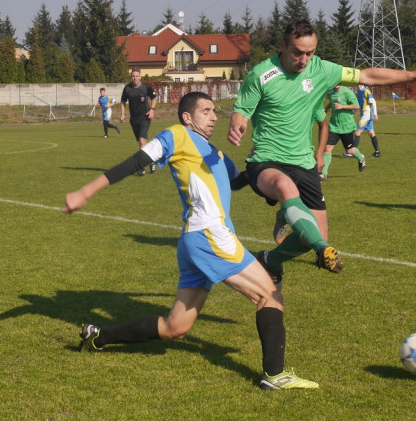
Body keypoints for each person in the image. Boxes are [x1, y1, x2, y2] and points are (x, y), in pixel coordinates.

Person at [64, 91, 318, 390]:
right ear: (187, 116)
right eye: (207, 111)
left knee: (176, 328)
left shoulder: (215, 153)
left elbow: (238, 182)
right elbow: (135, 162)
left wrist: (265, 168)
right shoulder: (176, 135)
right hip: (209, 235)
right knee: (269, 295)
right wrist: (85, 192)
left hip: (195, 240)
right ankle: (275, 376)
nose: (214, 117)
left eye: (215, 111)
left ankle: (97, 335)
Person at [228, 19, 416, 279]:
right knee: (286, 189)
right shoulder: (261, 75)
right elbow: (242, 110)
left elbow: (366, 75)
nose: (304, 59)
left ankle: (270, 259)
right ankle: (320, 246)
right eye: (297, 52)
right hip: (267, 161)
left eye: (310, 53)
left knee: (313, 235)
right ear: (283, 45)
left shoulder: (322, 69)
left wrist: (414, 74)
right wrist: (238, 124)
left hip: (304, 163)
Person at [316, 83, 366, 178]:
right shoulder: (331, 92)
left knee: (349, 150)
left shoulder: (347, 92)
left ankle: (361, 158)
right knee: (327, 148)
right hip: (334, 126)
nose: (337, 84)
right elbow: (332, 101)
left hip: (347, 126)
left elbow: (356, 106)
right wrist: (326, 108)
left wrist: (342, 106)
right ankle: (323, 173)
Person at [120, 69, 158, 174]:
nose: (134, 78)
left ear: (140, 77)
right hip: (134, 119)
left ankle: (142, 166)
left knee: (142, 140)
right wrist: (122, 114)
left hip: (145, 117)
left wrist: (152, 109)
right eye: (133, 76)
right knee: (142, 143)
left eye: (136, 76)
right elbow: (123, 101)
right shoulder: (127, 88)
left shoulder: (146, 87)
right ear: (130, 77)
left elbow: (154, 97)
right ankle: (152, 160)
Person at [352, 83, 381, 157]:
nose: (358, 85)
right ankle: (377, 152)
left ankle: (352, 152)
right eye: (357, 83)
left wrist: (375, 114)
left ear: (363, 83)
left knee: (357, 132)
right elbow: (358, 103)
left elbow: (373, 102)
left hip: (367, 115)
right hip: (365, 115)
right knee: (371, 133)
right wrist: (353, 111)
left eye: (360, 83)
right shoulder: (358, 92)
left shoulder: (366, 91)